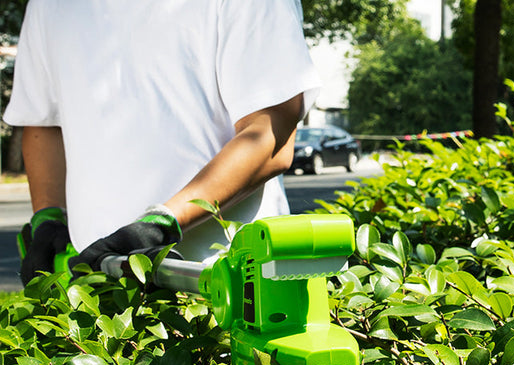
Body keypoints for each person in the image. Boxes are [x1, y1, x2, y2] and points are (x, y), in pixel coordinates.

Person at [4, 0, 320, 284]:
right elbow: (43, 122)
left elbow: (270, 134)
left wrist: (161, 224)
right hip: (95, 288)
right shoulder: (48, 5)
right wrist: (47, 216)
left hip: (226, 281)